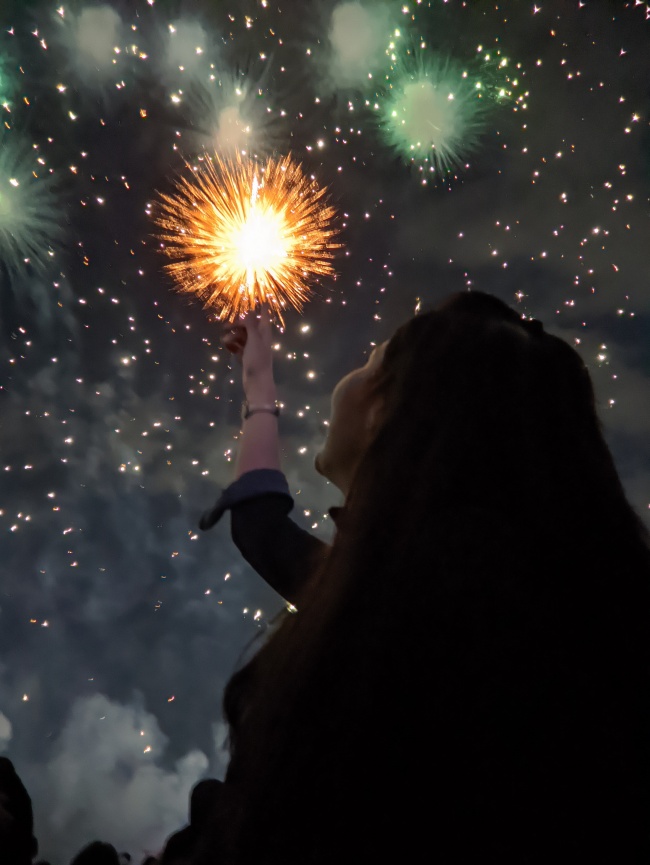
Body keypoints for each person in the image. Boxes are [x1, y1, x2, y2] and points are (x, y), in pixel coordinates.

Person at [199, 291, 650, 863]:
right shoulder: (558, 605)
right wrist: (259, 389)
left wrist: (261, 396)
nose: (350, 374)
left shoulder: (397, 613)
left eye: (368, 361)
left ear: (385, 410)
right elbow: (260, 528)